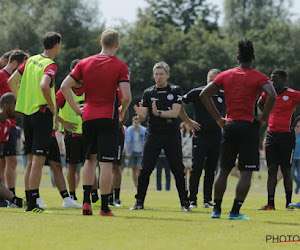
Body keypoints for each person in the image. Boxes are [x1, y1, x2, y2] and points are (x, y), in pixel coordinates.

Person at [200, 39, 276, 220]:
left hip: (230, 125)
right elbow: (272, 94)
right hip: (249, 126)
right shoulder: (259, 76)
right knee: (246, 172)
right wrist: (264, 118)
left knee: (224, 169)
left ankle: (216, 210)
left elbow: (204, 94)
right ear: (254, 58)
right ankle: (234, 211)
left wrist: (219, 118)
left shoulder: (226, 75)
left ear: (237, 57)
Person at [61, 28, 131, 216]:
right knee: (106, 164)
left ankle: (85, 203)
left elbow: (64, 86)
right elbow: (127, 97)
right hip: (108, 118)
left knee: (88, 161)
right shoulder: (120, 66)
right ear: (117, 44)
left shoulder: (84, 63)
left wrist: (78, 109)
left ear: (100, 43)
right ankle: (105, 208)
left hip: (88, 117)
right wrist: (121, 111)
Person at [8, 31, 62, 213]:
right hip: (42, 114)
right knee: (38, 161)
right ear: (56, 45)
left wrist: (22, 100)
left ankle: (30, 201)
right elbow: (44, 85)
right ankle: (32, 204)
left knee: (30, 161)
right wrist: (52, 108)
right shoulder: (50, 65)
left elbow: (12, 80)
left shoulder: (30, 60)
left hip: (28, 116)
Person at [131, 61, 190, 212]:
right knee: (145, 169)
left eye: (161, 74)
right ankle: (139, 202)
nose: (158, 77)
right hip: (153, 134)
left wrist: (158, 113)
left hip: (171, 134)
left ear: (167, 75)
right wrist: (141, 114)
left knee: (178, 169)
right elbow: (144, 117)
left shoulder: (175, 90)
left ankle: (185, 203)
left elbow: (175, 113)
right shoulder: (148, 92)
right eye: (156, 74)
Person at [180, 69, 225, 209]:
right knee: (197, 167)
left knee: (211, 169)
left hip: (217, 135)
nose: (211, 82)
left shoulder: (224, 95)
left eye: (214, 79)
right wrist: (188, 121)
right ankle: (192, 199)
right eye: (209, 79)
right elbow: (178, 105)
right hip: (200, 135)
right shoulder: (197, 92)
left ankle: (207, 200)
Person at [258, 69, 300, 211]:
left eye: (275, 79)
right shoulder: (269, 93)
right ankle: (270, 204)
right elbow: (260, 103)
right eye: (271, 79)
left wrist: (296, 121)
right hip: (271, 135)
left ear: (283, 80)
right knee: (271, 170)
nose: (272, 82)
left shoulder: (293, 94)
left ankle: (288, 204)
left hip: (287, 137)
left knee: (286, 170)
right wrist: (266, 116)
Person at [0, 49, 28, 204]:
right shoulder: (1, 75)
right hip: (2, 125)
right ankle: (6, 197)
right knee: (2, 162)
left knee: (12, 161)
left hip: (13, 126)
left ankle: (10, 195)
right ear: (16, 63)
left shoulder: (16, 79)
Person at [56, 59, 84, 202]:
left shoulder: (89, 87)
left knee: (90, 163)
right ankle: (72, 195)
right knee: (72, 166)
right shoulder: (64, 90)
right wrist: (64, 123)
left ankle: (93, 195)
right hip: (72, 134)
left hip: (88, 132)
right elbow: (52, 107)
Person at [0, 93, 23, 208]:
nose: (16, 109)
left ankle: (14, 200)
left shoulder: (8, 125)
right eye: (15, 105)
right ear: (6, 106)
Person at [125, 116, 146, 188]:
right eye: (135, 122)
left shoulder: (143, 130)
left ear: (139, 123)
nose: (136, 124)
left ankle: (140, 185)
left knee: (139, 169)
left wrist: (145, 152)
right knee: (133, 170)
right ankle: (136, 186)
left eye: (137, 123)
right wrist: (127, 152)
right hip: (132, 151)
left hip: (141, 152)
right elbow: (128, 141)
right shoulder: (129, 129)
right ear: (132, 123)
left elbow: (145, 141)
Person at [292, 118, 300, 195]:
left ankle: (297, 189)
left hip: (299, 158)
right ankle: (299, 184)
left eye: (299, 126)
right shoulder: (292, 134)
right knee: (292, 173)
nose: (298, 127)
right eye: (297, 126)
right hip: (293, 157)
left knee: (299, 175)